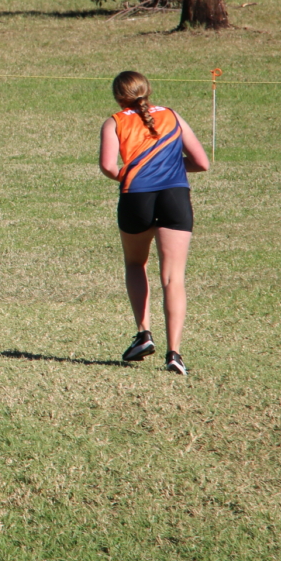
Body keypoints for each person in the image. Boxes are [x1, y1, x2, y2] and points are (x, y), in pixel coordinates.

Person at [100, 70, 209, 375]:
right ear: (147, 90)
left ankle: (143, 333)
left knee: (136, 264)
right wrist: (172, 168)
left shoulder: (114, 121)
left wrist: (135, 174)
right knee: (173, 278)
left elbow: (108, 166)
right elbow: (202, 162)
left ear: (118, 96)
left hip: (136, 198)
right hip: (175, 197)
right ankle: (175, 353)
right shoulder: (172, 116)